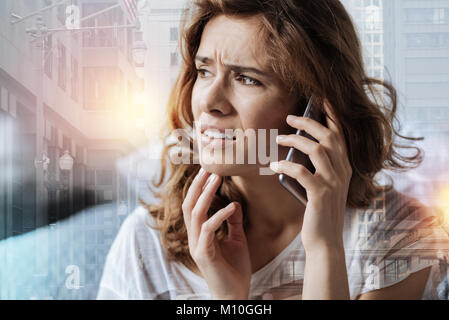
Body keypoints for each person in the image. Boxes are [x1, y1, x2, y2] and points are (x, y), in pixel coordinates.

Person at [97, 0, 449, 300]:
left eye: (247, 78)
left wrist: (324, 249)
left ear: (315, 108)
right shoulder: (145, 244)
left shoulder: (399, 233)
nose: (209, 102)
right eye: (204, 71)